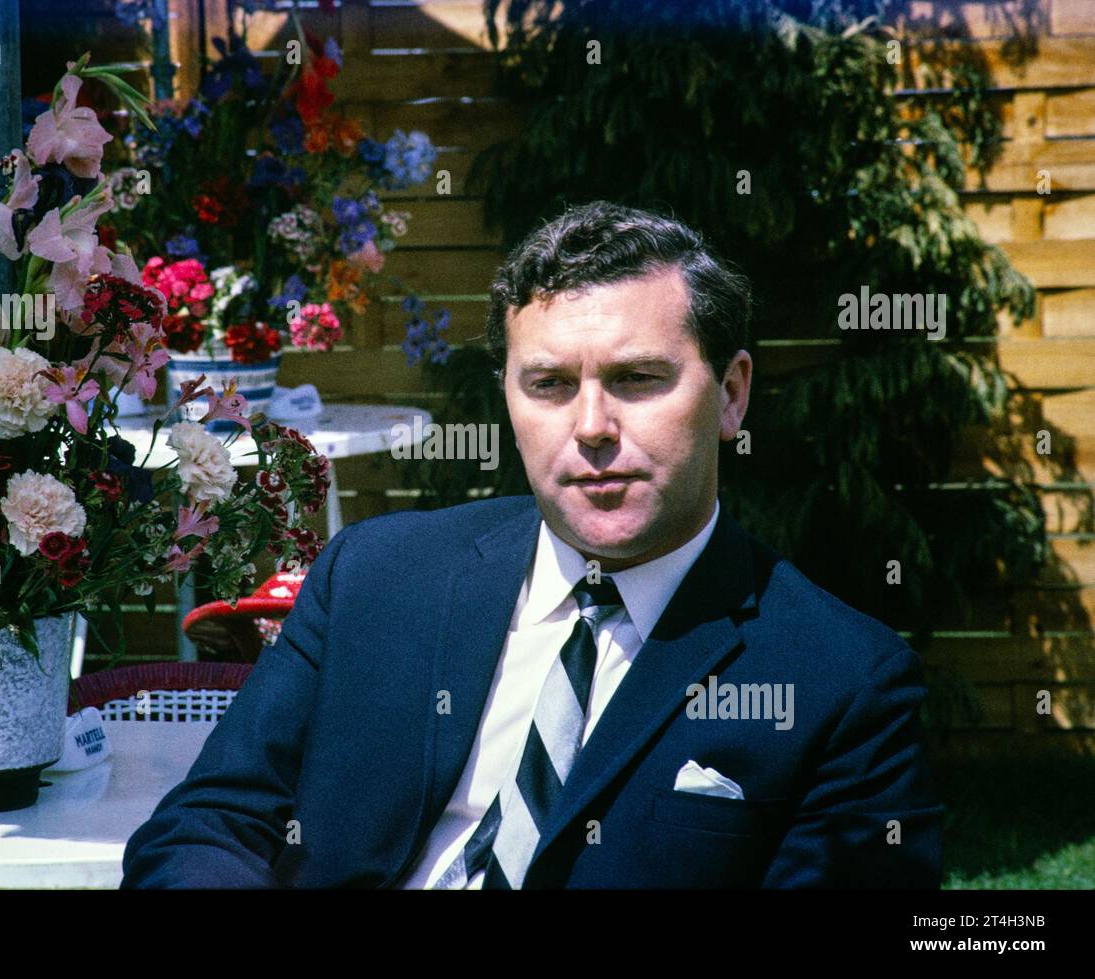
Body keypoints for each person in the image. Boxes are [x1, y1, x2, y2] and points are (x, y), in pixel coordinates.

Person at [121, 200, 944, 888]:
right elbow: (208, 826)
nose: (590, 428)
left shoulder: (841, 682)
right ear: (508, 398)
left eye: (638, 379)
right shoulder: (374, 576)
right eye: (549, 385)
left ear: (730, 397)